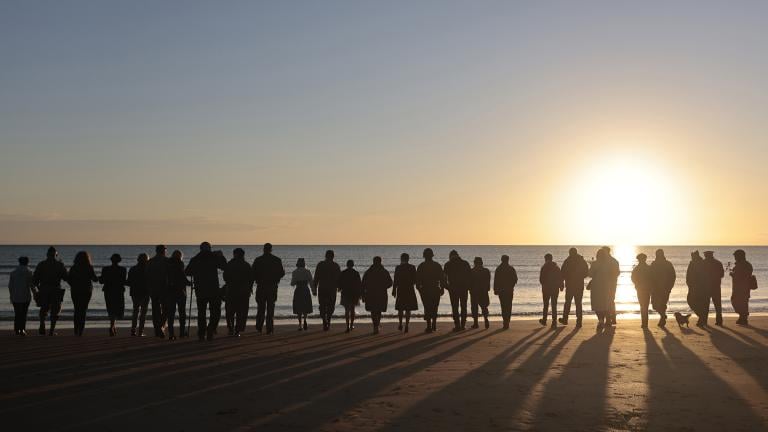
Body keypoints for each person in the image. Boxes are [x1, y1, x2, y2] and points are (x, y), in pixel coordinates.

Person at [185, 242, 227, 340]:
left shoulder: (195, 259)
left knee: (201, 313)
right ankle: (210, 329)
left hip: (200, 290)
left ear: (200, 249)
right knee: (215, 311)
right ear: (209, 248)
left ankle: (201, 333)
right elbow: (224, 267)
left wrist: (196, 272)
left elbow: (187, 272)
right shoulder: (213, 257)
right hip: (213, 289)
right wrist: (221, 256)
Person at [33, 247, 68, 336]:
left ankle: (42, 324)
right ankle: (51, 331)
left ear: (47, 255)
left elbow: (35, 279)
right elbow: (66, 277)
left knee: (44, 308)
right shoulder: (59, 265)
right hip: (55, 289)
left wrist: (38, 288)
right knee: (55, 310)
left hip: (44, 288)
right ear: (55, 255)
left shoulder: (41, 264)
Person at [251, 243, 285, 335]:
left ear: (263, 249)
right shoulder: (276, 260)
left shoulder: (258, 260)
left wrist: (252, 284)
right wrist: (275, 278)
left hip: (261, 286)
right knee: (271, 308)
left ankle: (259, 327)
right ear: (271, 249)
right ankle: (269, 328)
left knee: (261, 308)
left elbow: (252, 274)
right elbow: (282, 273)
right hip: (272, 286)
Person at [224, 248, 254, 337]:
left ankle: (231, 328)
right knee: (241, 312)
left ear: (234, 254)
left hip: (231, 290)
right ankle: (237, 330)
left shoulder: (230, 264)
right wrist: (249, 288)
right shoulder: (246, 265)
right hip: (243, 291)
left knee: (230, 311)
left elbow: (225, 277)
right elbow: (251, 278)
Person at [68, 251, 98, 337]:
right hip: (86, 290)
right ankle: (81, 330)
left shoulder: (74, 267)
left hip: (75, 290)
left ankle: (76, 330)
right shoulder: (89, 267)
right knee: (83, 310)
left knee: (77, 309)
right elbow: (95, 279)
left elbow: (69, 279)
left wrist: (73, 285)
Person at [416, 248, 445, 333]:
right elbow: (442, 278)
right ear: (432, 255)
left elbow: (417, 280)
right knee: (435, 307)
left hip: (425, 289)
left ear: (424, 256)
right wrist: (442, 288)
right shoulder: (437, 265)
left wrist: (420, 290)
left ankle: (429, 326)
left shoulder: (421, 266)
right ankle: (434, 325)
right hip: (435, 288)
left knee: (427, 307)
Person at [361, 256, 393, 334]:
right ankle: (377, 325)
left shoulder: (368, 271)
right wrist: (384, 287)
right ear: (380, 262)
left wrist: (363, 294)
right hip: (381, 293)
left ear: (373, 262)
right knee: (378, 310)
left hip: (370, 293)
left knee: (373, 310)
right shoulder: (384, 271)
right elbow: (390, 283)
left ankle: (375, 325)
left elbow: (363, 284)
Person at [443, 250, 472, 332]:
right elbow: (470, 276)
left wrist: (446, 287)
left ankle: (457, 325)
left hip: (453, 288)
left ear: (450, 256)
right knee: (464, 306)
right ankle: (463, 325)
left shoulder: (448, 264)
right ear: (458, 255)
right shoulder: (465, 263)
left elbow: (444, 277)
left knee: (455, 307)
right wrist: (468, 287)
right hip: (463, 288)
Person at [559, 247, 589, 327]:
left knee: (568, 303)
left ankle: (565, 319)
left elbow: (562, 273)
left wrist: (562, 282)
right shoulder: (582, 261)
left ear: (570, 253)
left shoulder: (567, 261)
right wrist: (580, 277)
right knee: (578, 303)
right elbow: (586, 272)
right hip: (579, 285)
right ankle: (579, 322)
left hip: (570, 285)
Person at [313, 250, 341, 331]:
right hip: (332, 289)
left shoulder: (320, 264)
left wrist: (314, 288)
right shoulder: (336, 266)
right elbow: (339, 278)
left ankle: (324, 321)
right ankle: (328, 320)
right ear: (333, 256)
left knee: (322, 306)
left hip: (322, 288)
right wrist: (340, 287)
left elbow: (316, 277)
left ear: (325, 256)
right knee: (331, 306)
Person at [100, 253, 127, 337]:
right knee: (117, 309)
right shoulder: (123, 269)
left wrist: (99, 278)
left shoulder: (105, 269)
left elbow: (101, 281)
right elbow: (123, 281)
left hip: (108, 291)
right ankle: (112, 326)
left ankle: (112, 326)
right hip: (118, 291)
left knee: (111, 308)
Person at [166, 250, 190, 340]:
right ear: (180, 256)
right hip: (180, 291)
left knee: (171, 313)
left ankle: (171, 333)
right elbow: (182, 276)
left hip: (169, 291)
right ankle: (182, 332)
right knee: (182, 313)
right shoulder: (180, 263)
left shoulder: (167, 263)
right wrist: (189, 283)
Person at [146, 245, 169, 338]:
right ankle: (161, 326)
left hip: (153, 288)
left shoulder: (150, 261)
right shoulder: (167, 261)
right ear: (164, 251)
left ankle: (158, 328)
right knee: (166, 309)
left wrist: (149, 287)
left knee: (156, 309)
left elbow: (146, 275)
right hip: (164, 288)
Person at [650, 249, 676, 328]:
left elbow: (673, 276)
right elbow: (649, 276)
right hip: (655, 289)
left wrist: (669, 287)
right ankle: (663, 315)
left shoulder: (668, 264)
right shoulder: (654, 264)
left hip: (664, 288)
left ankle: (662, 318)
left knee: (662, 304)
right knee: (655, 305)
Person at [8, 256, 35, 335]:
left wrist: (11, 295)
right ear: (27, 262)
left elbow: (10, 286)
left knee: (17, 313)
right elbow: (31, 285)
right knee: (23, 313)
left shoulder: (13, 272)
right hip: (25, 296)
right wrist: (35, 294)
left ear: (19, 262)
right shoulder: (29, 272)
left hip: (15, 296)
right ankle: (22, 329)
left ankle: (17, 329)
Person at [588, 249, 613, 331]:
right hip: (606, 286)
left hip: (596, 286)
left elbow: (590, 274)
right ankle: (607, 320)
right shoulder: (609, 264)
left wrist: (591, 266)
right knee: (605, 304)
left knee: (597, 305)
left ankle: (601, 320)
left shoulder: (595, 264)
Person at [393, 253, 418, 332]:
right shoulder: (412, 267)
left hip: (400, 289)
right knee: (408, 308)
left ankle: (400, 324)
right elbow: (415, 280)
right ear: (408, 259)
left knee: (400, 308)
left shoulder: (398, 268)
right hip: (409, 289)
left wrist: (394, 290)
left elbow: (395, 280)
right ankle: (407, 325)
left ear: (401, 259)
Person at [127, 253, 150, 336]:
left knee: (135, 311)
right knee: (143, 313)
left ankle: (133, 330)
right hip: (145, 292)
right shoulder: (148, 270)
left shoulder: (133, 269)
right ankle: (140, 331)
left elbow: (128, 281)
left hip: (135, 292)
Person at [730, 249, 755, 325]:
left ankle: (743, 317)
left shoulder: (742, 265)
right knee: (742, 302)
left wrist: (732, 274)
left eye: (736, 256)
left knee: (737, 301)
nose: (735, 257)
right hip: (744, 287)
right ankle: (743, 317)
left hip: (740, 287)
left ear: (739, 256)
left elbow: (739, 276)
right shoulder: (746, 264)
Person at [494, 255, 518, 329]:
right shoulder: (511, 268)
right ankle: (507, 321)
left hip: (502, 290)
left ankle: (505, 321)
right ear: (508, 260)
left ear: (501, 260)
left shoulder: (499, 268)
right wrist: (511, 286)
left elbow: (496, 280)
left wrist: (495, 289)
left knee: (503, 306)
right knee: (509, 306)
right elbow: (515, 279)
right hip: (509, 290)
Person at [539, 253, 563, 328]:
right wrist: (561, 286)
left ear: (546, 259)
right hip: (555, 289)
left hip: (546, 289)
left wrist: (544, 285)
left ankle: (544, 320)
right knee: (554, 305)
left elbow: (541, 279)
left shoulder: (544, 267)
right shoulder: (556, 267)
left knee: (546, 305)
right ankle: (554, 322)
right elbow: (560, 278)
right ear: (552, 259)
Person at [686, 251, 709, 327]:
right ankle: (701, 317)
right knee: (693, 302)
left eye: (692, 256)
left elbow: (704, 276)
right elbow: (688, 275)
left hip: (699, 288)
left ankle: (701, 318)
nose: (692, 257)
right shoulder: (694, 263)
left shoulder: (700, 263)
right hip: (694, 287)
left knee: (694, 302)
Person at [339, 259, 362, 332]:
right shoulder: (356, 273)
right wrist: (360, 294)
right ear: (353, 265)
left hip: (345, 293)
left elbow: (340, 283)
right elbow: (359, 284)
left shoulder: (343, 273)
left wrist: (339, 288)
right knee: (352, 309)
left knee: (346, 310)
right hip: (354, 293)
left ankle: (347, 326)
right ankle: (351, 325)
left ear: (347, 265)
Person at [631, 253, 653, 329]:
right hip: (647, 289)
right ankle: (645, 322)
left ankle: (644, 322)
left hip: (640, 289)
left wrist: (636, 285)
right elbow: (652, 279)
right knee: (645, 306)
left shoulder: (636, 269)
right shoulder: (649, 268)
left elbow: (633, 278)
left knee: (642, 305)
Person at [290, 258, 313, 331]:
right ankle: (305, 320)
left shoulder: (295, 272)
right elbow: (311, 282)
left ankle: (300, 325)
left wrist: (295, 282)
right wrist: (314, 291)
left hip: (298, 289)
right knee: (305, 306)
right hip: (306, 289)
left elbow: (292, 283)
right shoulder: (307, 271)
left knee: (299, 307)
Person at [703, 251, 725, 326]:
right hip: (716, 286)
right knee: (718, 304)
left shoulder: (703, 263)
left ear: (706, 255)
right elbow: (722, 274)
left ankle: (704, 320)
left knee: (705, 304)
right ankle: (719, 320)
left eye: (705, 255)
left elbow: (699, 275)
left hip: (706, 287)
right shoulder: (718, 263)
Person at [470, 257, 491, 329]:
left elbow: (469, 282)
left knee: (474, 307)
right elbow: (488, 281)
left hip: (474, 291)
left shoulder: (472, 271)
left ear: (475, 263)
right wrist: (487, 288)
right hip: (483, 291)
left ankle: (476, 323)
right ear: (481, 263)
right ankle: (486, 319)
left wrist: (469, 289)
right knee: (484, 306)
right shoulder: (486, 271)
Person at [602, 246, 621, 325]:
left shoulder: (606, 261)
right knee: (610, 301)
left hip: (608, 283)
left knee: (606, 301)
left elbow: (617, 273)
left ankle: (609, 319)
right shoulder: (614, 261)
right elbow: (618, 272)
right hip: (612, 283)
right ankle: (612, 318)